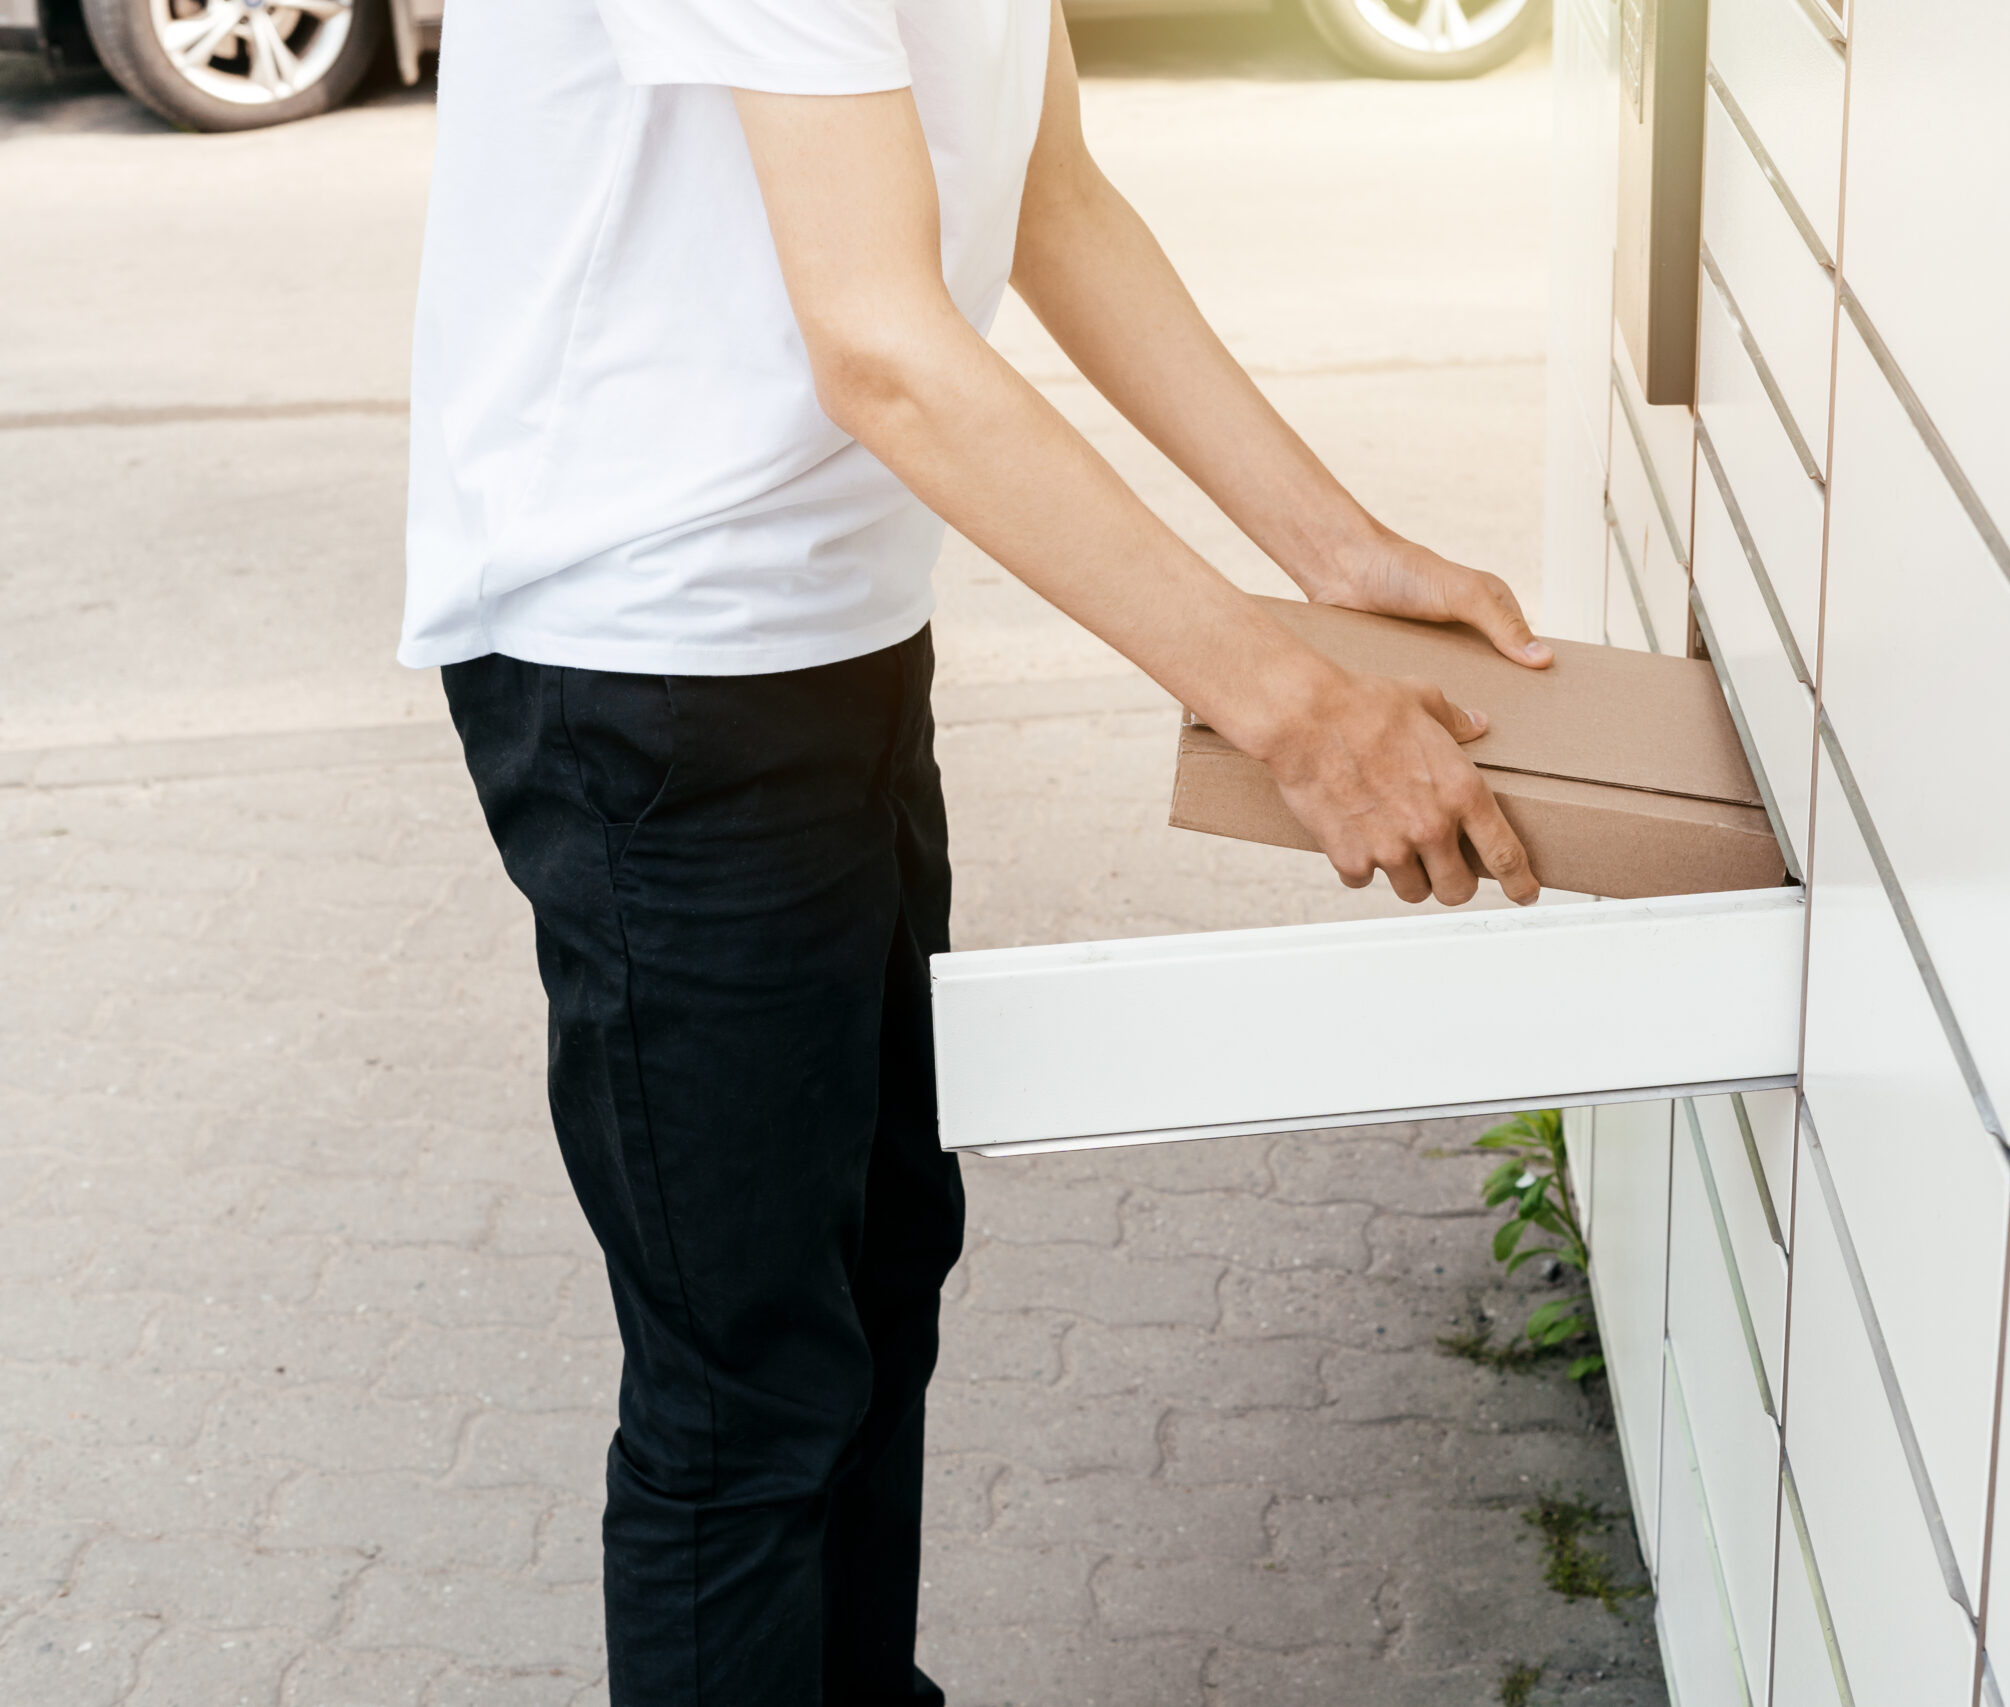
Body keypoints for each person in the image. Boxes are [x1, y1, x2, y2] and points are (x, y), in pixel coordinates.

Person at [400, 0, 1548, 1698]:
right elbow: (879, 342)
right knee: (749, 1388)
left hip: (830, 636)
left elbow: (1053, 191)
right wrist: (1290, 710)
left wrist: (1337, 547)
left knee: (879, 1270)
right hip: (649, 671)